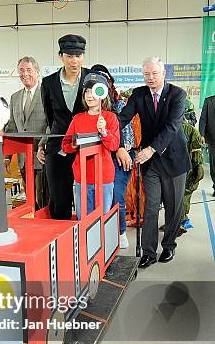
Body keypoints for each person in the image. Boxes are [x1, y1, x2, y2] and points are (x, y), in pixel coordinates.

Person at [118, 57, 190, 268]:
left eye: (154, 74)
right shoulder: (139, 94)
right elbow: (123, 119)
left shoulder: (177, 94)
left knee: (173, 207)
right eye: (146, 74)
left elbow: (172, 127)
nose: (150, 78)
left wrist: (150, 149)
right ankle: (148, 251)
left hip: (174, 161)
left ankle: (168, 246)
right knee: (150, 208)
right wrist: (111, 132)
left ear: (163, 73)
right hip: (151, 165)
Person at [40, 34, 90, 220]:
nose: (74, 61)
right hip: (58, 148)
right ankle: (61, 245)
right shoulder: (48, 83)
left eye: (78, 55)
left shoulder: (91, 79)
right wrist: (44, 144)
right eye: (69, 56)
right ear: (61, 56)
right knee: (59, 200)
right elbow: (49, 116)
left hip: (86, 148)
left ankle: (87, 244)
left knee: (88, 199)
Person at [89, 64, 136, 249]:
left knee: (116, 195)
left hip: (119, 157)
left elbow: (128, 134)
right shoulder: (88, 108)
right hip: (96, 158)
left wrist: (120, 147)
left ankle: (120, 231)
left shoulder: (120, 104)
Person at [62, 74, 120, 218]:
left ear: (102, 94)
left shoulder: (110, 118)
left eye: (93, 91)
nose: (89, 95)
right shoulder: (77, 119)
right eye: (86, 91)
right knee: (83, 219)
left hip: (104, 177)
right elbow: (65, 145)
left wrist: (104, 132)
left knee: (103, 219)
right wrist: (76, 144)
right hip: (82, 178)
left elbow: (114, 146)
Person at [4, 56, 48, 209]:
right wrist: (7, 157)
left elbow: (52, 124)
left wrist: (42, 146)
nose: (25, 74)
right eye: (21, 70)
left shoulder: (46, 93)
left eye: (29, 70)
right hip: (23, 158)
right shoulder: (15, 97)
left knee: (43, 201)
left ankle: (45, 230)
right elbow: (12, 128)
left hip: (42, 157)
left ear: (37, 72)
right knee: (30, 201)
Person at [178, 106, 204, 234]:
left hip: (172, 170)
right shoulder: (192, 130)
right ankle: (181, 221)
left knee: (175, 197)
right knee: (185, 195)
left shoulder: (166, 128)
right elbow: (197, 152)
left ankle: (178, 221)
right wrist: (198, 168)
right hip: (187, 169)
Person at [199, 93, 215, 198]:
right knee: (214, 164)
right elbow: (203, 119)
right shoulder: (209, 101)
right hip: (212, 138)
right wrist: (202, 134)